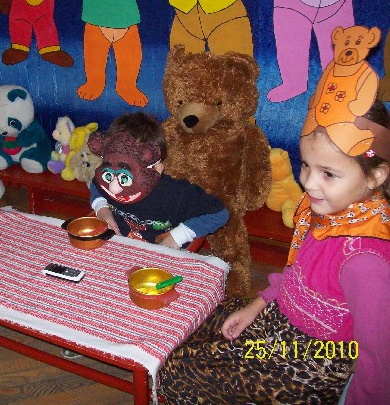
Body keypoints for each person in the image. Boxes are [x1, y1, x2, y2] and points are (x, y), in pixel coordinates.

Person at [160, 100, 390, 404]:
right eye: (306, 165)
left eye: (328, 174)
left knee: (177, 373)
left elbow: (378, 364)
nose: (308, 183)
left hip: (309, 358)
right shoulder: (332, 212)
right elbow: (297, 276)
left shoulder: (366, 261)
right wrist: (257, 305)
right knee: (189, 321)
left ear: (376, 176)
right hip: (280, 318)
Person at [87, 112, 229, 250]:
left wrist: (177, 237)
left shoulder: (175, 194)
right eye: (109, 176)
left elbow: (219, 214)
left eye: (124, 178)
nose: (114, 187)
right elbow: (96, 185)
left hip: (163, 256)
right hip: (121, 249)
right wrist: (102, 209)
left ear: (157, 168)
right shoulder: (107, 181)